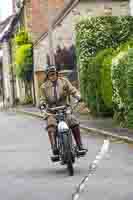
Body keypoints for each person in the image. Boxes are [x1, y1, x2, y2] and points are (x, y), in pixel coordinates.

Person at [40, 65, 87, 158]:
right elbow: (42, 99)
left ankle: (79, 145)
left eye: (54, 74)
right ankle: (54, 148)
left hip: (65, 109)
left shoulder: (64, 81)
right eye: (50, 75)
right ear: (47, 76)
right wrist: (42, 104)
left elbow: (72, 90)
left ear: (57, 74)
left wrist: (78, 96)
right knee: (51, 125)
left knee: (73, 121)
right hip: (52, 111)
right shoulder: (44, 87)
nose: (52, 76)